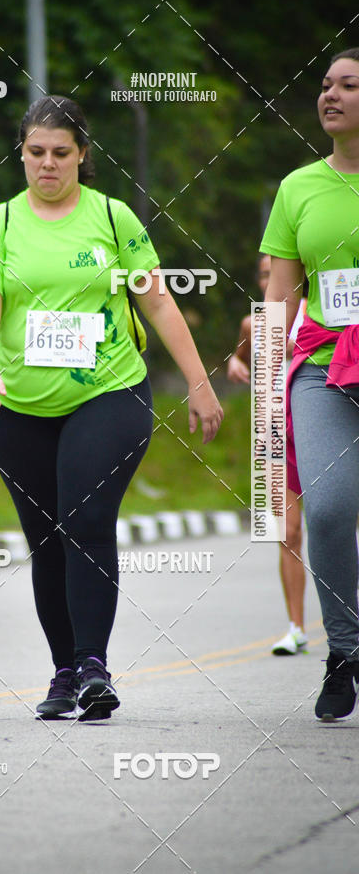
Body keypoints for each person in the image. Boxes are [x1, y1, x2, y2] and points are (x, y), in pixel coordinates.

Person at [0, 95, 223, 722]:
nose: (47, 165)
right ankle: (63, 673)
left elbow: (158, 302)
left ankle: (92, 666)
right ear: (21, 154)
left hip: (108, 392)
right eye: (35, 153)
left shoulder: (113, 219)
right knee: (45, 538)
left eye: (60, 153)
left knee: (83, 516)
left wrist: (198, 381)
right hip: (20, 404)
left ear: (83, 154)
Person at [261, 49, 359, 721]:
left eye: (349, 85)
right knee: (324, 511)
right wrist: (268, 386)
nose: (331, 94)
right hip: (325, 366)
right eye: (325, 83)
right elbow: (280, 291)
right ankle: (344, 653)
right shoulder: (299, 187)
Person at [227, 255, 308, 656]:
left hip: (323, 430)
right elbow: (239, 358)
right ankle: (296, 627)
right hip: (275, 434)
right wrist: (235, 365)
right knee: (288, 532)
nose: (269, 280)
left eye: (275, 271)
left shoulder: (322, 316)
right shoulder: (253, 324)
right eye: (263, 274)